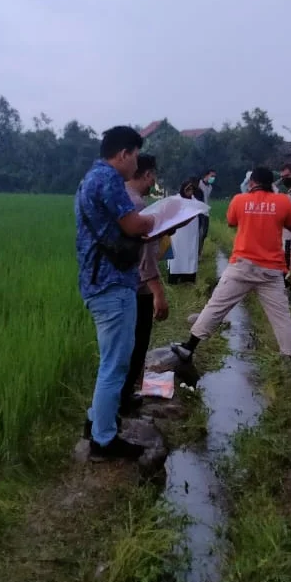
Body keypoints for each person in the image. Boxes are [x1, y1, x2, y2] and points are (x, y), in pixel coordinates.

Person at [171, 167, 291, 381]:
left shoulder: (240, 200)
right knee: (282, 319)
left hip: (241, 265)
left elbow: (232, 222)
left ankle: (189, 347)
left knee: (216, 306)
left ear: (251, 182)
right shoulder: (283, 202)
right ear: (271, 183)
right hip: (271, 270)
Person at [75, 126, 155, 460]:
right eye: (135, 156)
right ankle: (103, 441)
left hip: (98, 281)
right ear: (123, 154)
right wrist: (156, 221)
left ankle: (96, 422)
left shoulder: (89, 178)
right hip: (111, 283)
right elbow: (134, 225)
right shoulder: (109, 179)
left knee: (111, 361)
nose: (136, 165)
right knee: (115, 366)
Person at [118, 154, 169, 414]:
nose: (153, 182)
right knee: (137, 346)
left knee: (121, 347)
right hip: (137, 288)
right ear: (147, 174)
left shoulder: (117, 196)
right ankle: (124, 399)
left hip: (116, 284)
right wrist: (158, 293)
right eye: (153, 176)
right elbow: (147, 259)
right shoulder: (138, 205)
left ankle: (119, 398)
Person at [167, 177, 201, 284]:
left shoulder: (195, 202)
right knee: (177, 256)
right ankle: (175, 278)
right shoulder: (175, 200)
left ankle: (188, 279)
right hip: (178, 235)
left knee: (190, 255)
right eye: (187, 189)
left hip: (190, 235)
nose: (189, 192)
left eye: (191, 190)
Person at [197, 170, 216, 254]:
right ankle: (196, 252)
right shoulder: (199, 184)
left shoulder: (210, 187)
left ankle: (200, 251)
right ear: (206, 175)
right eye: (211, 176)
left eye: (214, 177)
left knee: (204, 234)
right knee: (198, 233)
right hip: (198, 212)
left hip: (206, 212)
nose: (213, 178)